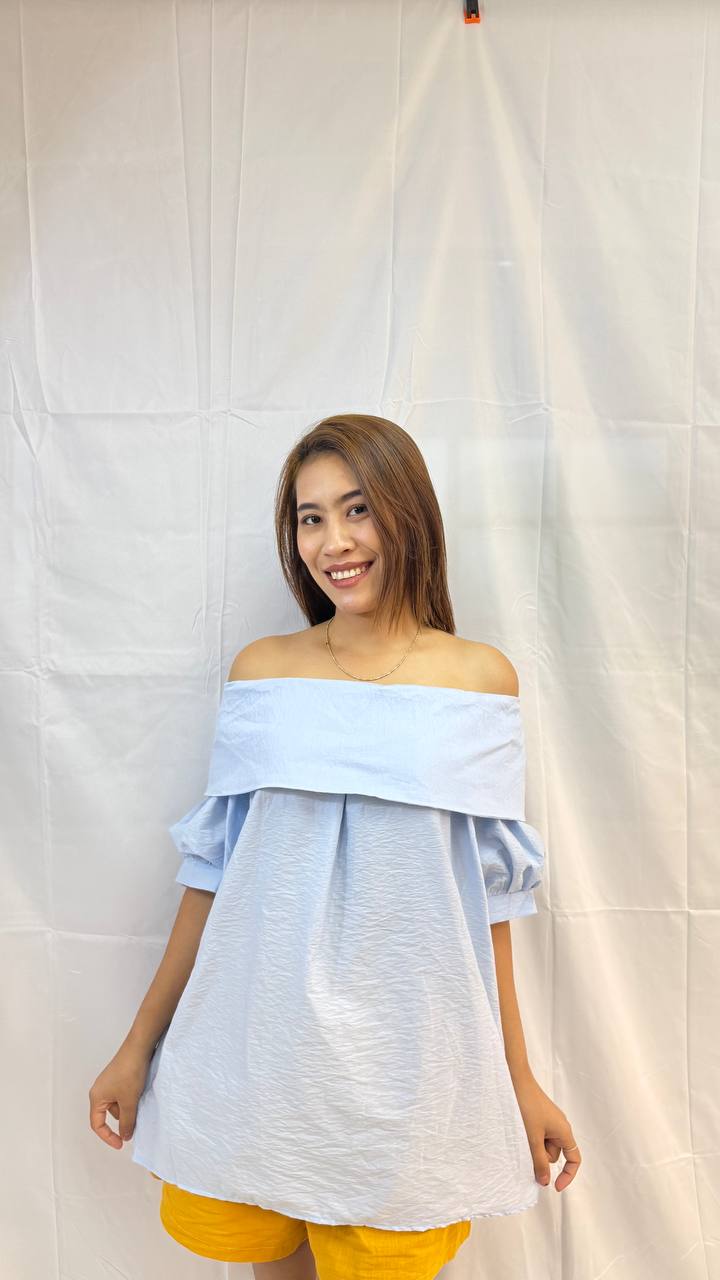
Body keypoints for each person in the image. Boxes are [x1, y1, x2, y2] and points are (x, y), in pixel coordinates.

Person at [89, 414, 581, 1280]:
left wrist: (521, 1081)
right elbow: (213, 875)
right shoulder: (263, 671)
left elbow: (488, 907)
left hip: (407, 1070)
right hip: (257, 1054)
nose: (334, 542)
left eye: (357, 509)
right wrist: (137, 1048)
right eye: (310, 518)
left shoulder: (479, 680)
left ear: (408, 513)